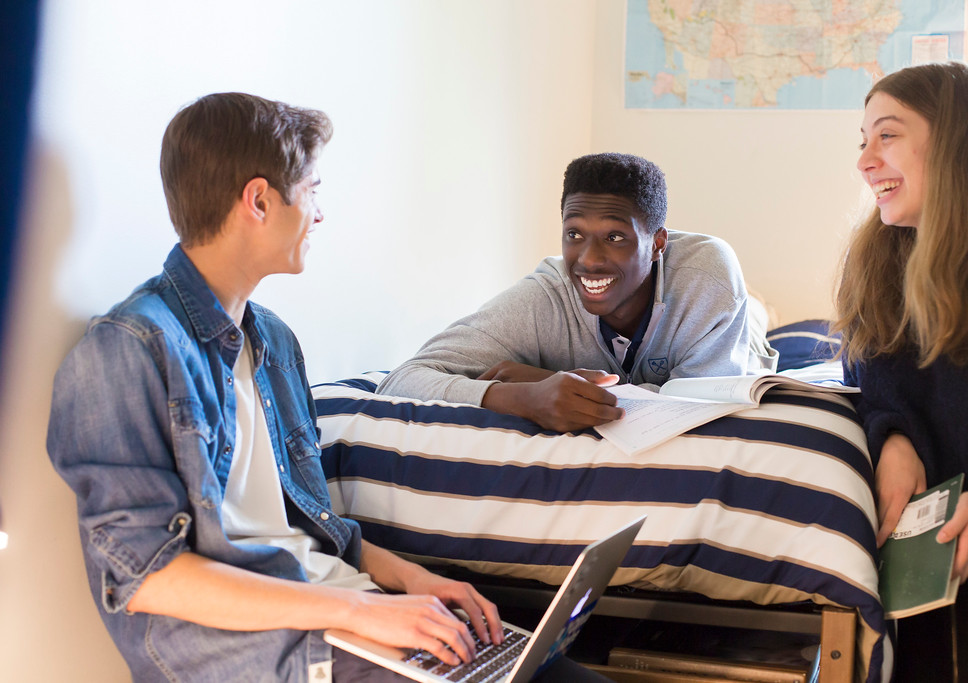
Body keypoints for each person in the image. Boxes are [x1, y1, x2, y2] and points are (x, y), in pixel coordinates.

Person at [46, 93, 611, 682]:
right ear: (260, 200)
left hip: (341, 611)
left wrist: (417, 583)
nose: (319, 214)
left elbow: (313, 530)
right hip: (261, 650)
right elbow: (148, 576)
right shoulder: (128, 349)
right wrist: (361, 610)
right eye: (312, 190)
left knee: (556, 674)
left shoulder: (274, 343)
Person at [837, 62, 968, 681]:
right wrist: (892, 437)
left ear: (955, 144)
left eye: (886, 136)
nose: (865, 161)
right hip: (907, 581)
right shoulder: (877, 270)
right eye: (862, 141)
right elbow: (865, 383)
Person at [377, 152, 776, 432]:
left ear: (657, 244)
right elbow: (402, 380)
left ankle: (758, 307)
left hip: (736, 329)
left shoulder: (709, 280)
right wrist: (520, 398)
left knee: (755, 315)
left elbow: (695, 410)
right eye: (574, 234)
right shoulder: (543, 298)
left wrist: (546, 378)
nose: (588, 259)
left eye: (615, 237)